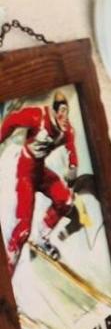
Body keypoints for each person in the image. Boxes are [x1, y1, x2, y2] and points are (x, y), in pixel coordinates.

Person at [1, 91, 78, 275]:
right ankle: (9, 265)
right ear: (54, 111)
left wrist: (73, 166)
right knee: (23, 230)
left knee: (66, 200)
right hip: (26, 173)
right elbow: (12, 120)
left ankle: (42, 235)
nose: (64, 117)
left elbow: (71, 148)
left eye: (66, 112)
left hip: (40, 172)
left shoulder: (66, 130)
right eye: (61, 112)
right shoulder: (38, 116)